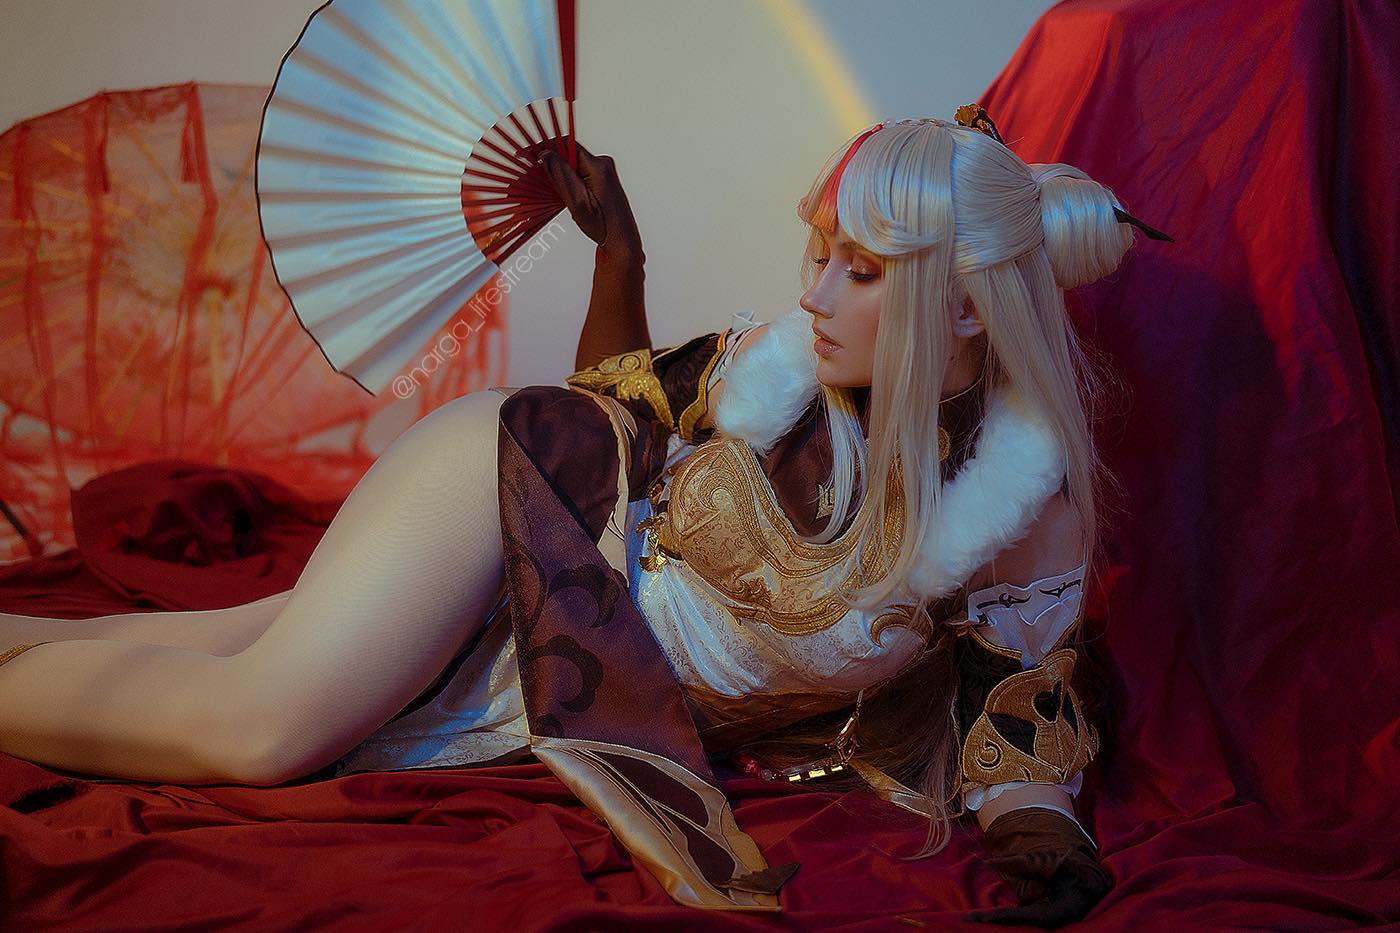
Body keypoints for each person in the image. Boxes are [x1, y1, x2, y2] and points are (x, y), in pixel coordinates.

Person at [0, 111, 1133, 926]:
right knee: (260, 729)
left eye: (864, 270)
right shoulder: (772, 371)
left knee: (238, 641)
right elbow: (599, 410)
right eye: (822, 253)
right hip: (506, 491)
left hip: (560, 648)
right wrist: (620, 257)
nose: (815, 293)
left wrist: (1040, 832)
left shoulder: (1019, 512)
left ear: (968, 307)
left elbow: (1014, 716)